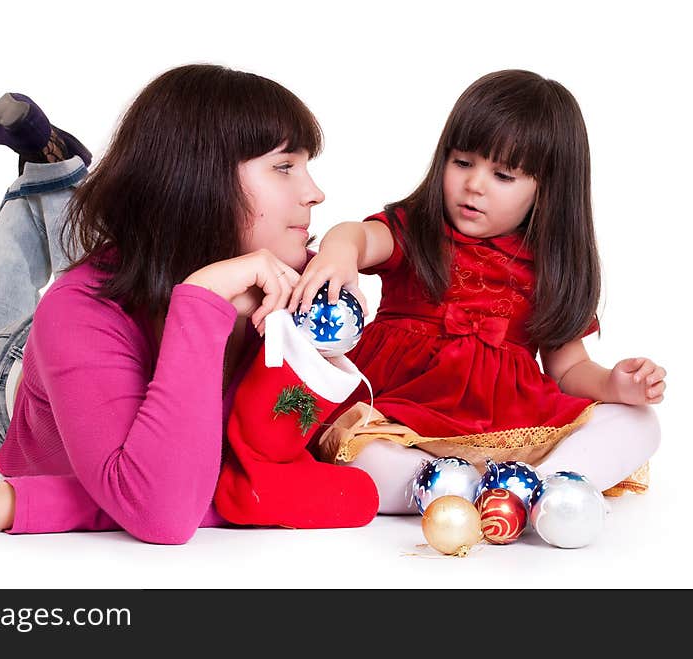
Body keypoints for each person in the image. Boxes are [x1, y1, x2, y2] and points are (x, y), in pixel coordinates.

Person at [0, 64, 378, 543]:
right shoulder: (77, 309)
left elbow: (223, 485)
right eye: (285, 167)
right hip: (1, 381)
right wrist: (201, 300)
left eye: (307, 166)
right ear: (199, 182)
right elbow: (164, 511)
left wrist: (10, 505)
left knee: (113, 249)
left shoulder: (291, 282)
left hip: (122, 304)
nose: (315, 192)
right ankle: (42, 175)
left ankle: (61, 173)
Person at [283, 69, 666, 514]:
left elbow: (568, 369)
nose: (474, 185)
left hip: (510, 427)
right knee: (364, 456)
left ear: (548, 190)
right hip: (405, 416)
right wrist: (338, 252)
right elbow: (361, 236)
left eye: (503, 176)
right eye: (462, 162)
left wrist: (613, 384)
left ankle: (528, 489)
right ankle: (453, 490)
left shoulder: (550, 267)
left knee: (640, 423)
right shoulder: (417, 231)